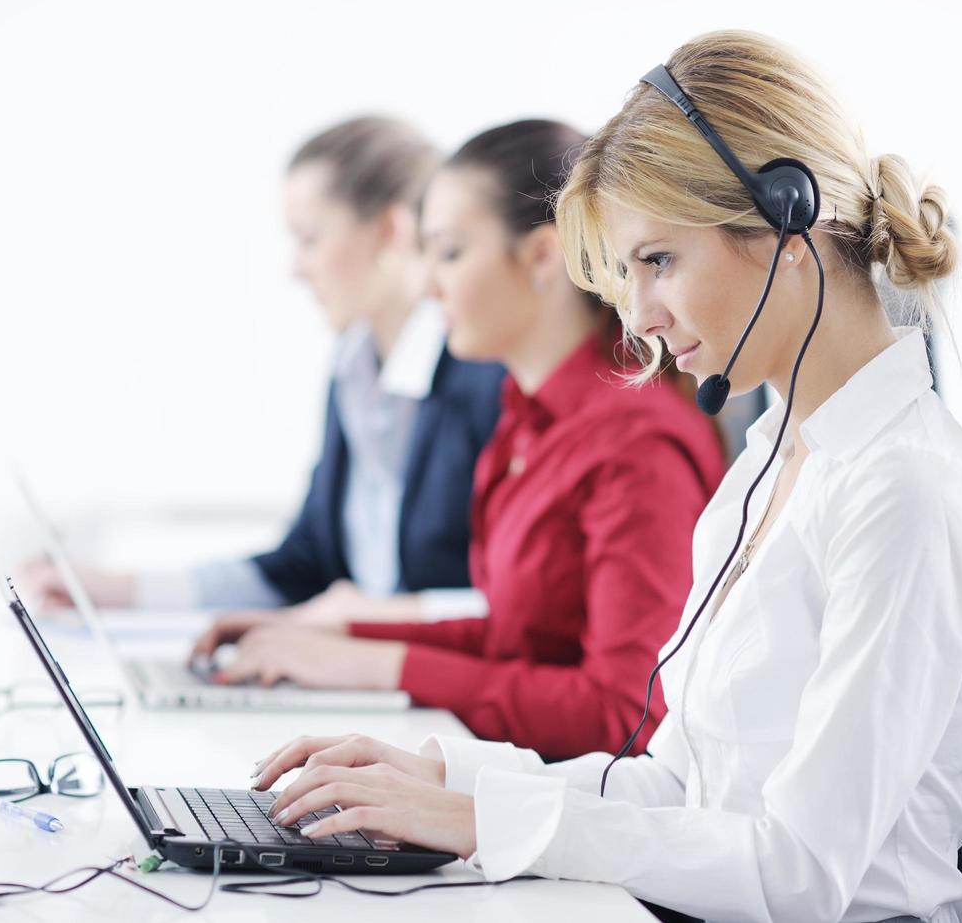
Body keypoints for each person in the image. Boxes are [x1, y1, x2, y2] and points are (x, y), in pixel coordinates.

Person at [244, 32, 962, 923]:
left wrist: (476, 820)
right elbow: (676, 787)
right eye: (627, 274)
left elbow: (799, 875)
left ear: (786, 221)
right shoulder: (770, 462)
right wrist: (442, 777)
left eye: (658, 261)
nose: (641, 317)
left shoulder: (907, 492)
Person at [196, 120, 726, 759]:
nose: (425, 284)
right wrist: (339, 637)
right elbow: (516, 640)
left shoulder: (634, 444)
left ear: (539, 258)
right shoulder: (525, 418)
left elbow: (628, 714)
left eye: (447, 253)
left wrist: (380, 665)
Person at [18, 117, 505, 626]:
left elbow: (516, 604)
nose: (296, 268)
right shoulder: (352, 371)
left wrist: (366, 618)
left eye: (309, 238)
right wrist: (119, 589)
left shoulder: (488, 379)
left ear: (389, 230)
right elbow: (302, 565)